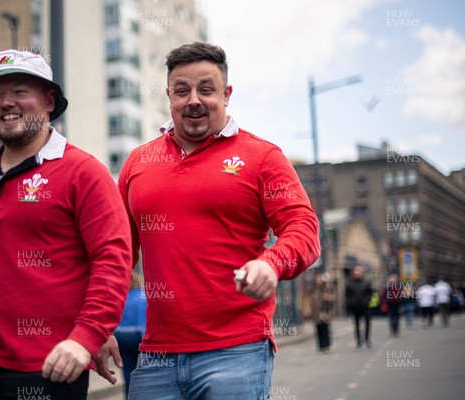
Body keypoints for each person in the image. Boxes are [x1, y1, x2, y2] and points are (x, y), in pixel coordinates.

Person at [102, 42, 320, 400]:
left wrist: (270, 263)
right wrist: (98, 325)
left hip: (238, 351)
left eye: (206, 89)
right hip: (155, 355)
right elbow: (115, 253)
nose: (193, 100)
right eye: (182, 90)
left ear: (226, 94)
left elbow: (303, 230)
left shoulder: (262, 157)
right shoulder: (137, 162)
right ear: (169, 95)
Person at [0, 50, 132, 399]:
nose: (6, 102)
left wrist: (86, 338)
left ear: (48, 100)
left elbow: (112, 261)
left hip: (52, 367)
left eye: (20, 91)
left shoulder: (83, 173)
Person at [113, 272, 147, 397]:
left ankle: (129, 395)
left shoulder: (121, 298)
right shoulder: (143, 297)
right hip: (137, 337)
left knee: (127, 370)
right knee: (142, 371)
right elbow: (143, 321)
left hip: (120, 337)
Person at [301, 272, 335, 353]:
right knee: (319, 329)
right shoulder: (312, 290)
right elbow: (308, 300)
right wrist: (307, 309)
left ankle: (327, 345)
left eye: (319, 279)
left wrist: (329, 298)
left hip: (325, 312)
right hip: (316, 313)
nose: (318, 281)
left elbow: (333, 298)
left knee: (325, 328)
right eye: (317, 279)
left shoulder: (326, 289)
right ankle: (321, 346)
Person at [345, 266, 373, 350]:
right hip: (355, 307)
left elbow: (370, 293)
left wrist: (367, 301)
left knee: (367, 323)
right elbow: (347, 295)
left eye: (358, 272)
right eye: (355, 272)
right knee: (356, 325)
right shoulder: (349, 284)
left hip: (365, 307)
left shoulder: (366, 283)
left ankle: (367, 339)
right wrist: (351, 302)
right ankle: (358, 341)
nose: (357, 274)